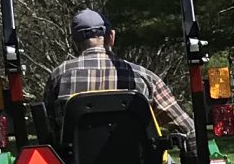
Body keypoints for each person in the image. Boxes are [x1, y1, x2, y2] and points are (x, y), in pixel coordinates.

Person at [50, 8, 195, 138]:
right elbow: (188, 130)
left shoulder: (58, 77)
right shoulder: (143, 77)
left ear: (74, 42)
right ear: (111, 37)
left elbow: (48, 132)